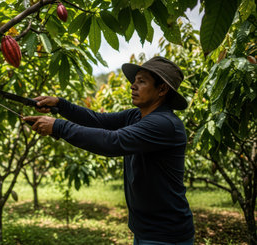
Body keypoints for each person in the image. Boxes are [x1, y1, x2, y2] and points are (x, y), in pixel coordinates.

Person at [23, 56, 195, 244]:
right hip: (146, 231)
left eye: (142, 81)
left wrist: (58, 127)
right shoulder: (136, 116)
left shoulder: (164, 124)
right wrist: (60, 104)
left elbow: (112, 142)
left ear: (162, 89)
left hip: (166, 236)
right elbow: (98, 120)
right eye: (134, 81)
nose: (133, 86)